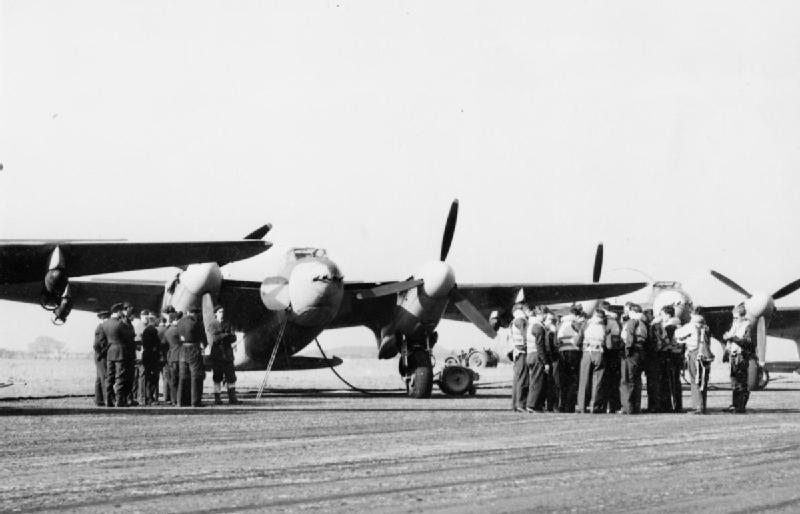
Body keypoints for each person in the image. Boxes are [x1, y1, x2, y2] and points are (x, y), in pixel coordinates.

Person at [676, 308, 714, 414]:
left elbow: (677, 334)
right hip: (705, 355)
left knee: (696, 380)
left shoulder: (691, 326)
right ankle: (701, 405)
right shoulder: (705, 327)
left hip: (695, 354)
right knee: (702, 381)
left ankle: (698, 406)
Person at [723, 304, 754, 413]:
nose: (734, 320)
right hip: (733, 356)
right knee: (734, 381)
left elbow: (747, 342)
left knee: (741, 382)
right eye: (734, 318)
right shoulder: (735, 325)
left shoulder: (747, 326)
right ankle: (734, 405)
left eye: (736, 318)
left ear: (742, 316)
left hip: (741, 356)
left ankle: (741, 406)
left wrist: (733, 338)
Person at [576, 309, 608, 413]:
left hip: (587, 352)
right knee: (597, 380)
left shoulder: (586, 324)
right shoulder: (604, 326)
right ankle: (594, 406)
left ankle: (582, 406)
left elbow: (578, 340)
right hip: (599, 352)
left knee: (584, 379)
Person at [103, 303, 134, 407]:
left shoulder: (105, 324)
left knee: (109, 377)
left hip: (110, 352)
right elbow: (129, 336)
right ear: (118, 311)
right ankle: (119, 400)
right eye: (121, 311)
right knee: (120, 376)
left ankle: (108, 400)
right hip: (120, 352)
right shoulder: (120, 324)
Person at [620, 303, 649, 414]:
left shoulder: (632, 321)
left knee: (627, 379)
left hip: (632, 351)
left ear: (632, 311)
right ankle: (636, 406)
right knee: (636, 380)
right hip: (640, 351)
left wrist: (627, 350)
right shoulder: (643, 322)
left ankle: (628, 407)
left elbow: (629, 337)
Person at [554, 306, 584, 413]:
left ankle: (561, 405)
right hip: (573, 352)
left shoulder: (561, 323)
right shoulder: (575, 323)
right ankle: (569, 406)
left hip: (562, 352)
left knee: (563, 381)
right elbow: (581, 336)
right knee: (573, 380)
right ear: (577, 314)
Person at [177, 307, 208, 407]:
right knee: (196, 376)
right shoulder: (196, 322)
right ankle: (195, 401)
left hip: (182, 349)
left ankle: (181, 401)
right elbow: (203, 337)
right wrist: (205, 344)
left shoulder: (180, 322)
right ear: (195, 313)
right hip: (193, 349)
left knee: (183, 376)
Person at [209, 306, 240, 405]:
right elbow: (215, 338)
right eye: (219, 311)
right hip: (217, 355)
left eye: (222, 311)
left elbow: (234, 337)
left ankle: (232, 398)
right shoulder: (213, 324)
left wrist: (222, 335)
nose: (222, 313)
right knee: (217, 377)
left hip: (227, 355)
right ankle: (217, 398)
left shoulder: (228, 323)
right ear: (215, 313)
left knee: (231, 377)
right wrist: (226, 335)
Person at [524, 306, 550, 413]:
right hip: (537, 357)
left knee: (534, 380)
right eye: (545, 314)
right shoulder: (539, 327)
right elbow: (540, 346)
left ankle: (534, 404)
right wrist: (545, 362)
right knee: (537, 381)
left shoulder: (530, 326)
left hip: (530, 355)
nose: (546, 316)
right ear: (541, 314)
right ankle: (532, 405)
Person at [601, 302, 623, 413]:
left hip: (605, 352)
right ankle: (614, 405)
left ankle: (605, 405)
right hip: (614, 353)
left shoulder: (603, 321)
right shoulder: (616, 321)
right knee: (614, 381)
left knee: (604, 380)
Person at [508, 303, 528, 412]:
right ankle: (521, 404)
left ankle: (515, 404)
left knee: (517, 379)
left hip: (517, 352)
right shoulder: (521, 320)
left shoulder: (513, 321)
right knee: (522, 379)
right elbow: (526, 336)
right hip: (522, 352)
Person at [139, 313, 161, 405]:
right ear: (153, 320)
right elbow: (155, 345)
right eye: (157, 320)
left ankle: (147, 398)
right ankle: (149, 398)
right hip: (152, 357)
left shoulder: (146, 330)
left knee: (149, 378)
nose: (158, 321)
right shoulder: (153, 330)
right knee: (152, 378)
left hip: (147, 356)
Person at [92, 310, 111, 406]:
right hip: (101, 355)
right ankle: (107, 399)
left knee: (100, 378)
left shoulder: (101, 327)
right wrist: (102, 352)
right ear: (102, 318)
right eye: (107, 318)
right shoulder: (101, 328)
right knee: (104, 377)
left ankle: (99, 399)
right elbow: (96, 345)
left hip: (99, 355)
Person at [165, 311, 183, 406]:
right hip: (179, 356)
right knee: (180, 379)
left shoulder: (168, 330)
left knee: (172, 380)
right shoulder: (178, 330)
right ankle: (179, 400)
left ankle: (173, 399)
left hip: (171, 356)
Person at [543, 313, 559, 412]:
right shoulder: (550, 332)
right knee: (553, 383)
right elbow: (553, 346)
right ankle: (552, 405)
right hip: (552, 359)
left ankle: (551, 405)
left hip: (550, 360)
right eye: (550, 320)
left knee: (551, 383)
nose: (552, 322)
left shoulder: (547, 331)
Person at [157, 307, 173, 404]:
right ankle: (168, 397)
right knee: (167, 377)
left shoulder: (157, 328)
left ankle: (155, 396)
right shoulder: (169, 329)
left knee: (156, 378)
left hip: (158, 355)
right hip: (168, 355)